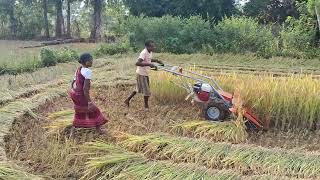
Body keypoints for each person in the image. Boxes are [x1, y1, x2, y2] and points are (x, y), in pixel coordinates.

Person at [69, 53, 108, 134]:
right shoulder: (88, 71)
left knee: (80, 111)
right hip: (80, 95)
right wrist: (89, 102)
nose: (92, 62)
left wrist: (74, 91)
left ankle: (73, 131)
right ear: (86, 62)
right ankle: (98, 130)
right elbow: (85, 89)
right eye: (91, 60)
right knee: (94, 110)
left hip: (74, 93)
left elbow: (73, 82)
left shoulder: (78, 69)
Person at [124, 40, 163, 111]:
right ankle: (146, 106)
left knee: (138, 89)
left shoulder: (149, 52)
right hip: (141, 74)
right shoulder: (143, 53)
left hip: (145, 73)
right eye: (152, 46)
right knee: (147, 91)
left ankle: (127, 100)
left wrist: (157, 61)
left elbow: (148, 60)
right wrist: (149, 64)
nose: (154, 47)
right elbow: (137, 63)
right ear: (147, 46)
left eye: (154, 46)